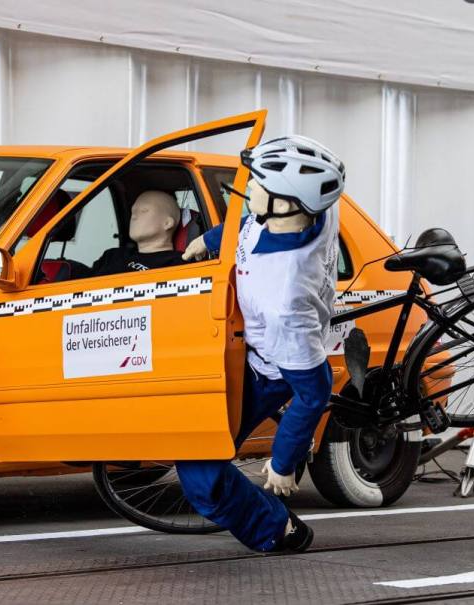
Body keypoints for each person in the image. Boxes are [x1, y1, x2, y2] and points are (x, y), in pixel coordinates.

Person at [178, 135, 345, 553]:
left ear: (287, 203)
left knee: (201, 474)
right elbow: (249, 226)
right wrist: (213, 239)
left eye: (258, 184)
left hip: (268, 369)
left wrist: (283, 463)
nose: (248, 187)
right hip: (249, 343)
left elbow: (313, 391)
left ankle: (277, 529)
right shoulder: (311, 209)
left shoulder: (283, 299)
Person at [91, 190, 186, 275]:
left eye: (144, 211)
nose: (134, 216)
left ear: (167, 223)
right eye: (133, 211)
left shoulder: (179, 265)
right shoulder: (112, 256)